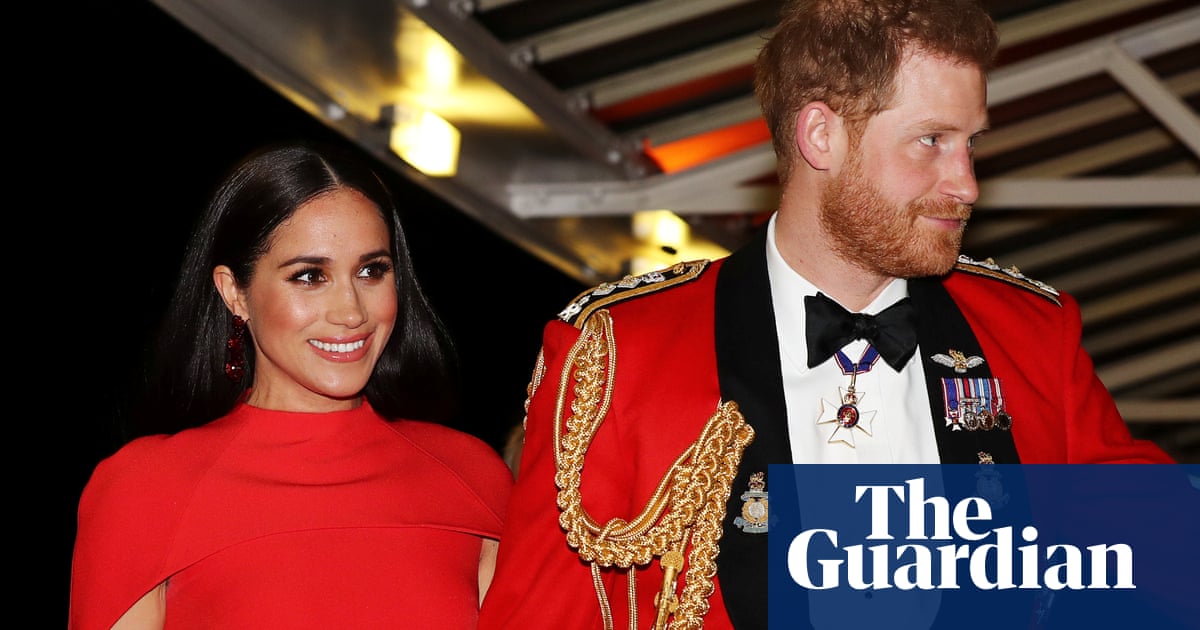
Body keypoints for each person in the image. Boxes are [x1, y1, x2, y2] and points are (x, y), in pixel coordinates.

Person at [477, 1, 1174, 629]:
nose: (966, 184)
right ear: (820, 136)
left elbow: (1165, 557)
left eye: (972, 143)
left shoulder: (1032, 335)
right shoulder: (621, 351)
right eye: (932, 140)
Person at [69, 141, 514, 629]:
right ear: (234, 292)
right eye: (309, 276)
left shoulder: (472, 477)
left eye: (371, 271)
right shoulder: (146, 488)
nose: (351, 312)